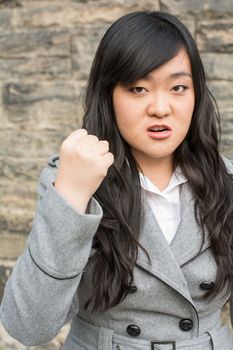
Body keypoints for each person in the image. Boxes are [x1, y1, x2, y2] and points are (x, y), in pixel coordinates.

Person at [1, 10, 233, 350]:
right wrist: (72, 198)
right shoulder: (69, 178)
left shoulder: (225, 181)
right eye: (138, 88)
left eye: (178, 87)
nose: (160, 107)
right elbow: (29, 326)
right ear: (109, 95)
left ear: (196, 95)